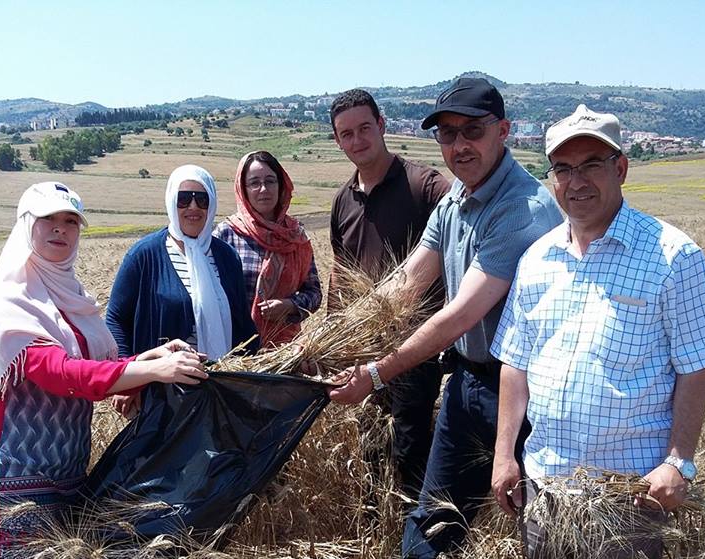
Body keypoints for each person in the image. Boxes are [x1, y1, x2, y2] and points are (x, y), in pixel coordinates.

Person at [329, 77, 563, 559]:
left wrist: (375, 373)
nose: (459, 145)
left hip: (526, 393)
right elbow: (406, 282)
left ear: (503, 131)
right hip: (466, 384)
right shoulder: (456, 199)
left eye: (472, 131)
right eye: (447, 134)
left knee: (539, 524)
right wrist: (334, 338)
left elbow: (459, 315)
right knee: (434, 513)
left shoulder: (522, 210)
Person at [490, 104, 705, 559]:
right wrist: (504, 454)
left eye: (591, 165)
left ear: (620, 168)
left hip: (628, 493)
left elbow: (696, 366)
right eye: (563, 169)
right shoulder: (537, 259)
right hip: (545, 485)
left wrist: (679, 463)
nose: (576, 182)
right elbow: (515, 363)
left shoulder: (673, 256)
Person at [0, 182, 208, 559]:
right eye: (48, 219)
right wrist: (154, 369)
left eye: (71, 221)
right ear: (26, 225)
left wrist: (150, 358)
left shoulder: (69, 296)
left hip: (64, 475)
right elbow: (61, 373)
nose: (61, 228)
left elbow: (92, 364)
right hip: (12, 483)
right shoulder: (7, 301)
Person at [328, 88, 450, 503]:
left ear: (381, 126)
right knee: (370, 455)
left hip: (415, 351)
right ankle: (374, 529)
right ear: (337, 141)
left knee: (411, 454)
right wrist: (335, 340)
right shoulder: (343, 202)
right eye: (347, 134)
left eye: (365, 128)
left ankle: (415, 532)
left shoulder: (425, 187)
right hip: (362, 353)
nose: (357, 140)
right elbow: (340, 275)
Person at [106, 164, 258, 417]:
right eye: (184, 199)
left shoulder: (226, 257)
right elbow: (115, 319)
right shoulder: (144, 255)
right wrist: (126, 378)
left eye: (202, 199)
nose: (193, 207)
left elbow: (242, 322)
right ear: (170, 201)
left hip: (219, 388)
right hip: (159, 393)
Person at [214, 151, 321, 347]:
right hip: (233, 350)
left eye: (270, 181)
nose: (264, 189)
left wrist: (290, 306)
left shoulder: (296, 236)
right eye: (254, 183)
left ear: (281, 185)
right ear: (243, 189)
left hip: (285, 352)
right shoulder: (226, 234)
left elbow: (314, 293)